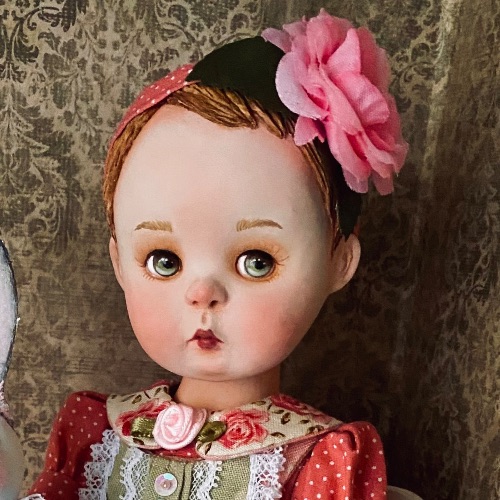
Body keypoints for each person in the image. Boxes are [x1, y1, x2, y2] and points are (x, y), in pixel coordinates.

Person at [27, 9, 408, 499]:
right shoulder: (95, 431)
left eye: (257, 262)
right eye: (164, 261)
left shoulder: (320, 460)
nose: (202, 293)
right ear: (119, 262)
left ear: (340, 262)